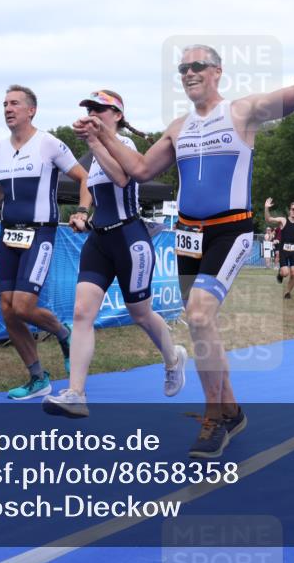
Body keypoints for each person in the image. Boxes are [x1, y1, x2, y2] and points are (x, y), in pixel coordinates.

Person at [77, 33, 294, 458]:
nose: (188, 74)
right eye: (182, 69)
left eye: (196, 67)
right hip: (189, 234)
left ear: (216, 72)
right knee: (200, 325)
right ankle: (231, 409)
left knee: (199, 314)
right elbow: (137, 169)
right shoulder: (178, 127)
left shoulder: (242, 111)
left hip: (230, 230)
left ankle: (214, 418)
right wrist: (99, 139)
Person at [44, 90, 188, 418]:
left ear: (117, 116)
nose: (93, 113)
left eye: (100, 109)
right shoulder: (93, 155)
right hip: (100, 240)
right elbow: (91, 191)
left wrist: (96, 141)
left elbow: (122, 178)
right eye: (89, 109)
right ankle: (76, 393)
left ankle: (173, 357)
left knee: (140, 314)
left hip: (129, 237)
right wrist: (82, 213)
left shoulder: (126, 145)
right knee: (81, 312)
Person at [0, 85, 91, 400]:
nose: (8, 109)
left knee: (24, 306)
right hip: (8, 233)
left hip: (39, 234)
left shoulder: (49, 143)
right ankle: (38, 378)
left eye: (14, 104)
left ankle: (63, 333)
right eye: (4, 104)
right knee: (8, 310)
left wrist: (81, 210)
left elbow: (84, 177)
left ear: (31, 110)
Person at [265, 198, 294, 299]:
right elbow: (268, 219)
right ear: (289, 210)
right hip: (283, 250)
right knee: (285, 273)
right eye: (292, 209)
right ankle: (280, 274)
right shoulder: (283, 220)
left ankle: (287, 293)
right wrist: (266, 208)